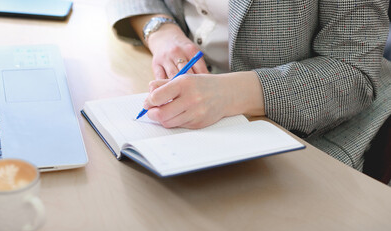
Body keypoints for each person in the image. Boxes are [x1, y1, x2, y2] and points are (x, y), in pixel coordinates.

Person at [108, 0, 391, 172]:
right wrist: (160, 30)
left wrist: (227, 93)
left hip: (304, 131)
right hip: (181, 84)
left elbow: (353, 72)